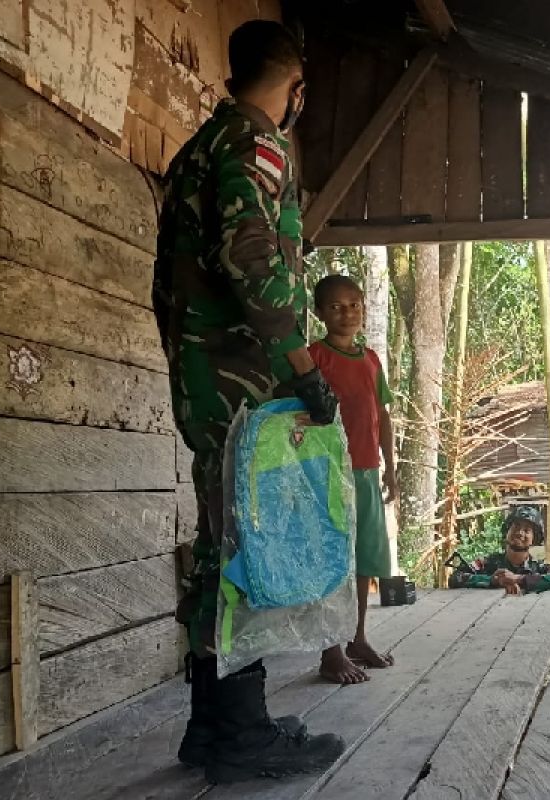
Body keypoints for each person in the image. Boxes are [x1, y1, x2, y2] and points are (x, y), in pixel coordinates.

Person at [153, 20, 344, 782]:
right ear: (295, 87)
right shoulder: (253, 146)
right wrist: (304, 369)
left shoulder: (199, 146)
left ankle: (216, 724)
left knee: (221, 540)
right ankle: (240, 731)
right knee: (243, 544)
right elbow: (256, 266)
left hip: (207, 370)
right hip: (239, 375)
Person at [308, 274, 399, 684]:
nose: (347, 313)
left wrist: (391, 466)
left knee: (365, 559)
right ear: (319, 313)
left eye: (354, 304)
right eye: (336, 307)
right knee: (333, 560)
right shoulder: (313, 358)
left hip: (365, 470)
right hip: (329, 473)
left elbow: (384, 416)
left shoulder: (371, 359)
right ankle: (330, 650)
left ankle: (357, 638)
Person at [449, 506, 550, 593]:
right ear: (507, 531)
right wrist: (493, 580)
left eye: (527, 530)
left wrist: (519, 579)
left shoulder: (539, 568)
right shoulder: (487, 563)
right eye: (516, 527)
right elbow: (456, 578)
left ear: (534, 539)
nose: (520, 533)